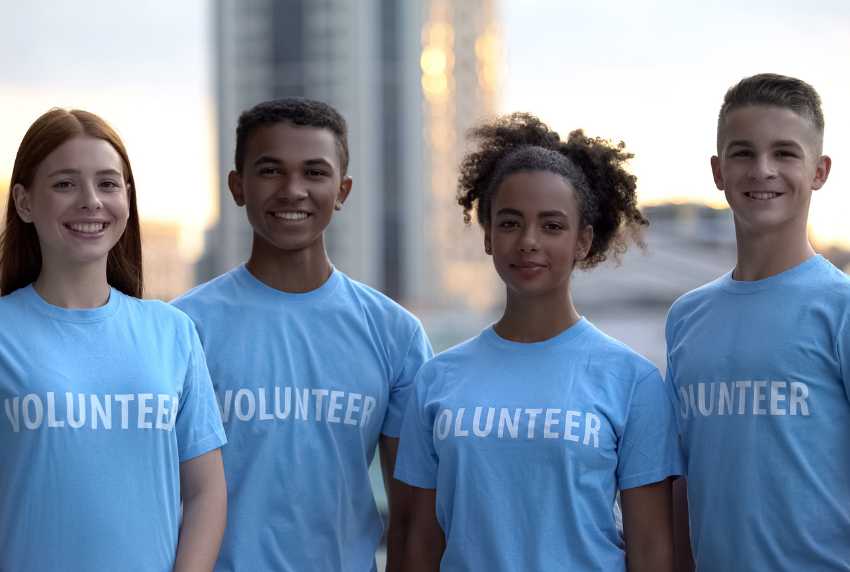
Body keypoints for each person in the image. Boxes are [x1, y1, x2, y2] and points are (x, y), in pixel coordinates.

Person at [395, 112, 683, 571]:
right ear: (488, 235)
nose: (528, 241)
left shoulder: (633, 380)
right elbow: (420, 545)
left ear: (584, 240)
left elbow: (651, 551)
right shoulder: (436, 380)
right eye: (510, 223)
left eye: (552, 226)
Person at [172, 97, 433, 572]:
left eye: (315, 172)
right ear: (237, 186)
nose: (293, 190)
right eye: (271, 171)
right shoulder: (182, 328)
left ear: (342, 190)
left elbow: (414, 515)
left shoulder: (395, 333)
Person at [0, 108, 227, 571]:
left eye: (108, 183)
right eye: (65, 183)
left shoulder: (172, 331)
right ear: (24, 202)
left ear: (127, 197)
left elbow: (206, 491)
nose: (91, 201)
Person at [666, 73, 849, 571]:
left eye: (785, 153)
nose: (762, 169)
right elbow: (683, 481)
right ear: (718, 170)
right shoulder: (686, 317)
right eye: (742, 153)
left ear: (820, 171)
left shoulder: (841, 307)